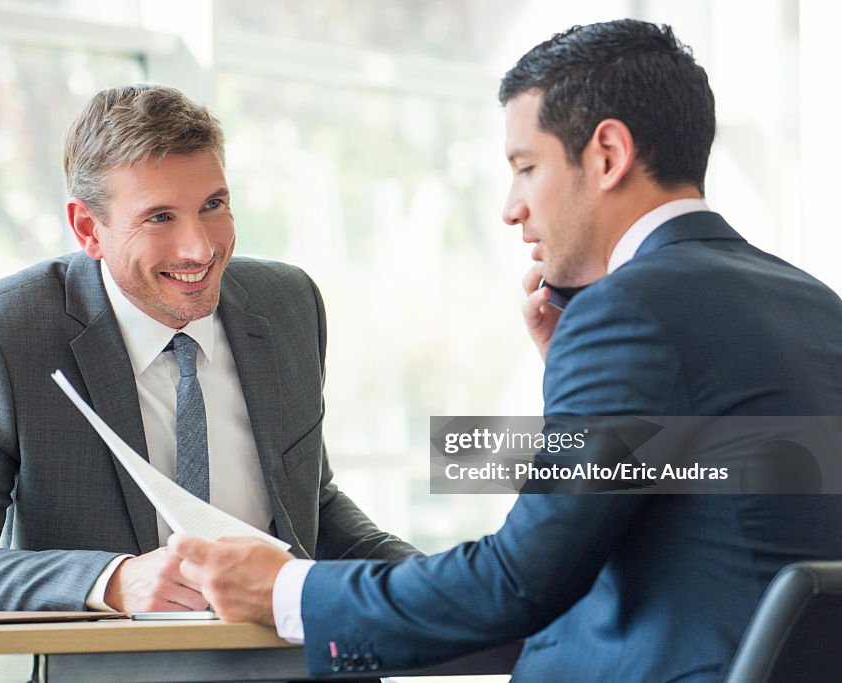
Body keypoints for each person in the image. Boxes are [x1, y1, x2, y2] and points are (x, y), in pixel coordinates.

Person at [168, 19, 842, 682]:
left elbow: (519, 580)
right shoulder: (814, 303)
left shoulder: (628, 311)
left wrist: (289, 591)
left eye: (526, 167)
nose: (511, 207)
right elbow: (718, 506)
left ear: (608, 154)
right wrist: (574, 380)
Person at [0, 84, 418, 614]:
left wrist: (440, 584)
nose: (200, 248)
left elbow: (313, 508)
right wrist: (111, 581)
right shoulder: (0, 335)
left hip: (288, 657)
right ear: (88, 228)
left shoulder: (288, 305)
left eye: (213, 205)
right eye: (159, 217)